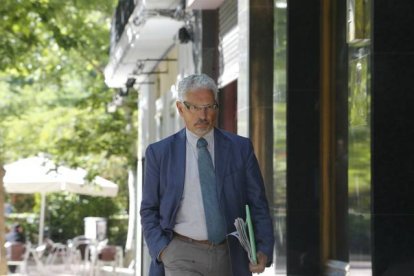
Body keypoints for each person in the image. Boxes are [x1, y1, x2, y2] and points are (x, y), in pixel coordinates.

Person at [140, 73, 274, 276]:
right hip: (180, 253)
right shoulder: (159, 153)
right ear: (180, 109)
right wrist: (162, 250)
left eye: (209, 107)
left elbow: (258, 203)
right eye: (194, 108)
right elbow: (149, 209)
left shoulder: (240, 148)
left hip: (231, 254)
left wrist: (263, 248)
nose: (203, 116)